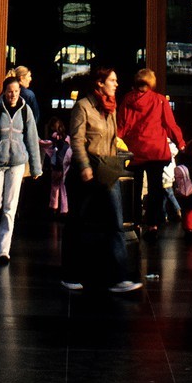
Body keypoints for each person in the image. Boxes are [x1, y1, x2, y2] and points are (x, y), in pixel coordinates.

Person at [61, 66, 142, 294]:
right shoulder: (83, 107)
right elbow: (76, 141)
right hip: (85, 173)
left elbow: (113, 139)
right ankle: (70, 274)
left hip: (107, 171)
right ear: (99, 83)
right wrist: (85, 167)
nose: (116, 84)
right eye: (112, 80)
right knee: (77, 223)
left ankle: (119, 277)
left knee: (116, 223)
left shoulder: (111, 108)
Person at [0, 73, 42, 262]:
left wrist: (36, 168)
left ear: (20, 92)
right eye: (10, 91)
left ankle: (3, 250)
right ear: (4, 92)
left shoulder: (26, 111)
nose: (13, 95)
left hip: (16, 164)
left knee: (9, 208)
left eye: (16, 91)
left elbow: (31, 140)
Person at [116, 67, 185, 236]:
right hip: (155, 151)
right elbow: (170, 124)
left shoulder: (128, 100)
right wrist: (181, 142)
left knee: (135, 188)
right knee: (155, 189)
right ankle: (153, 224)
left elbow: (122, 126)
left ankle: (136, 222)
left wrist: (114, 142)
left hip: (135, 151)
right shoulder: (160, 100)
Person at [42, 115, 72, 215]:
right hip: (66, 165)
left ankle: (53, 207)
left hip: (56, 166)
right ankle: (64, 209)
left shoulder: (53, 138)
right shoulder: (67, 138)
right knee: (64, 187)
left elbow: (44, 145)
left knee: (55, 187)